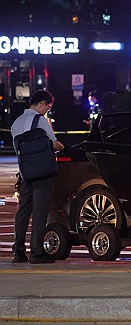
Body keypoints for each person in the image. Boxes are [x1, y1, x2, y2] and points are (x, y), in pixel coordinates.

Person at [10, 90, 64, 264]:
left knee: (23, 211)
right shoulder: (40, 120)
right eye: (48, 106)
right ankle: (36, 252)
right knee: (40, 212)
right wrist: (62, 147)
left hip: (25, 174)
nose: (48, 109)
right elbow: (54, 143)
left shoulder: (16, 123)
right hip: (42, 174)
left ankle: (18, 251)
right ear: (41, 104)